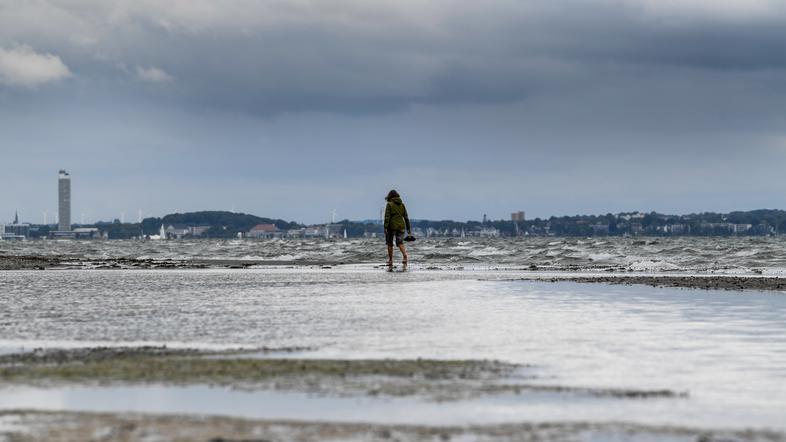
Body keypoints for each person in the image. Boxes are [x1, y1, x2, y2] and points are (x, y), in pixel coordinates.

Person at [383, 189, 411, 266]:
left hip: (391, 226)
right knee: (400, 242)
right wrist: (408, 228)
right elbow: (406, 217)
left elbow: (387, 217)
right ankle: (405, 255)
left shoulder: (389, 204)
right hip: (401, 226)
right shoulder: (402, 205)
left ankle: (391, 260)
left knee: (389, 243)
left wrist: (385, 226)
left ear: (389, 196)